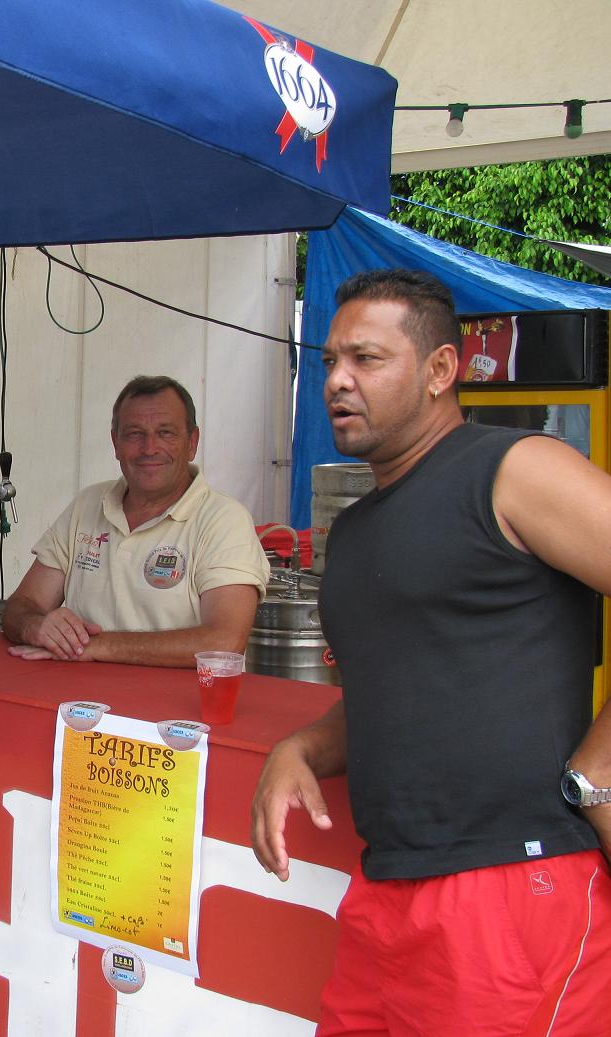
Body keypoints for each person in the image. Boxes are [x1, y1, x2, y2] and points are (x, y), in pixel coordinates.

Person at [250, 269, 611, 1036]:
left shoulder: (512, 470)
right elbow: (397, 691)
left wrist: (599, 768)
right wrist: (303, 747)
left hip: (513, 886)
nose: (336, 381)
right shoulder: (355, 531)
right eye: (327, 362)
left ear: (441, 370)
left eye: (365, 359)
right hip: (388, 892)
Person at [1, 374, 269, 667]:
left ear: (192, 443)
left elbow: (224, 642)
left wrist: (97, 646)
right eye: (134, 434)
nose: (149, 448)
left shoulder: (224, 520)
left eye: (165, 433)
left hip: (178, 710)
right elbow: (22, 605)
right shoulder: (88, 505)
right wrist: (35, 627)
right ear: (115, 442)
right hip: (82, 706)